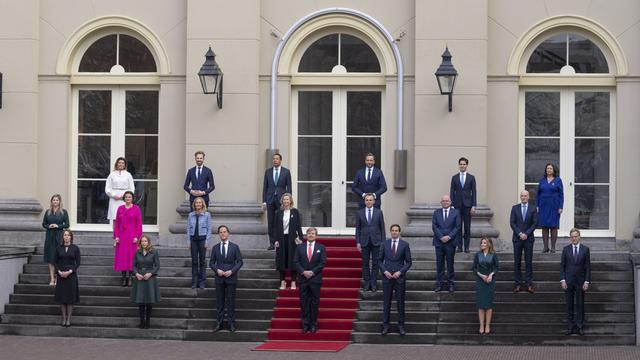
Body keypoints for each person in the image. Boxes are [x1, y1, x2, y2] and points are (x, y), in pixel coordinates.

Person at [378, 224, 412, 336]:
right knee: (386, 303)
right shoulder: (384, 244)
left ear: (399, 232)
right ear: (390, 232)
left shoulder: (405, 245)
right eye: (392, 230)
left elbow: (409, 262)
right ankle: (385, 326)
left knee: (400, 303)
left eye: (396, 230)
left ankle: (401, 326)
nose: (394, 232)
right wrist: (385, 271)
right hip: (387, 277)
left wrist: (400, 272)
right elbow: (379, 260)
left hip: (399, 278)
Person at [209, 225, 243, 332]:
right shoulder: (215, 248)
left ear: (228, 233)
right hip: (219, 279)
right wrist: (217, 270)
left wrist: (232, 271)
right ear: (218, 234)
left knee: (231, 302)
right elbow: (211, 262)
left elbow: (240, 262)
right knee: (220, 303)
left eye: (224, 232)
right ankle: (219, 324)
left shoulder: (235, 247)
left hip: (231, 278)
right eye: (220, 232)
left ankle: (231, 324)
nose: (222, 234)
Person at [293, 227, 326, 334]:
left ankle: (313, 325)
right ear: (306, 235)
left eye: (313, 233)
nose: (311, 235)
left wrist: (312, 272)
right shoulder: (300, 247)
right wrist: (303, 272)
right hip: (303, 279)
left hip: (315, 279)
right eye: (309, 233)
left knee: (314, 303)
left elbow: (322, 262)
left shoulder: (321, 247)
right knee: (304, 302)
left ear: (316, 236)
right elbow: (296, 262)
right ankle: (305, 325)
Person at [560, 228, 591, 335]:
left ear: (579, 237)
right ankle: (570, 327)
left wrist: (587, 281)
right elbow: (562, 266)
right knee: (569, 305)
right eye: (572, 236)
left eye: (576, 236)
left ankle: (580, 326)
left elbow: (588, 267)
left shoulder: (585, 249)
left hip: (581, 282)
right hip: (568, 282)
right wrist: (563, 280)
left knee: (580, 305)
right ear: (570, 238)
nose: (574, 238)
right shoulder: (566, 249)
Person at [356, 193, 386, 292]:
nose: (368, 202)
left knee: (375, 263)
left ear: (374, 201)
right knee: (365, 263)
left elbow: (382, 228)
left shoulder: (379, 212)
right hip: (364, 241)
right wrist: (358, 242)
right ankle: (367, 283)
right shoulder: (360, 213)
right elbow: (358, 228)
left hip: (376, 241)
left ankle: (373, 283)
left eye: (370, 200)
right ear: (364, 201)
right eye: (367, 200)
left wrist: (383, 242)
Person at [274, 193, 304, 290]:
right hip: (281, 239)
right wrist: (275, 240)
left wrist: (301, 238)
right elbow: (275, 228)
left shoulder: (295, 212)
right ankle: (282, 282)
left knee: (292, 260)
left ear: (290, 201)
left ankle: (293, 282)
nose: (286, 201)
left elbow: (299, 226)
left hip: (292, 239)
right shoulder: (278, 212)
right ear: (282, 201)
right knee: (281, 260)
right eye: (284, 199)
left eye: (288, 199)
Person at [510, 190, 538, 293]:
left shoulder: (533, 208)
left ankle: (529, 284)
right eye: (522, 196)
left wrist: (526, 234)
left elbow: (535, 223)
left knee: (528, 262)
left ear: (528, 197)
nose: (523, 197)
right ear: (520, 197)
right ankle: (517, 284)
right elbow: (512, 223)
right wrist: (520, 233)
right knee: (517, 262)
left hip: (529, 239)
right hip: (517, 239)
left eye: (525, 196)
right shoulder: (515, 208)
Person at [131, 234, 161, 329]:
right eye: (142, 241)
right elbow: (133, 266)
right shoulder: (137, 252)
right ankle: (141, 322)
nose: (144, 243)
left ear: (148, 242)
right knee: (140, 302)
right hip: (139, 278)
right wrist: (136, 274)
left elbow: (157, 266)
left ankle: (148, 322)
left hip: (150, 279)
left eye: (145, 241)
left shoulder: (154, 252)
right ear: (140, 242)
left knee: (149, 301)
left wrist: (150, 273)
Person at [262, 153, 291, 250]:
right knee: (270, 221)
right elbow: (265, 187)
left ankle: (281, 242)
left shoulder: (286, 172)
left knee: (281, 221)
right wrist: (264, 201)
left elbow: (289, 187)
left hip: (281, 200)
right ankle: (272, 243)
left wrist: (288, 200)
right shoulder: (268, 172)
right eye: (274, 159)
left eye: (277, 159)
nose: (275, 160)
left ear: (280, 160)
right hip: (270, 200)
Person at [432, 195, 461, 293]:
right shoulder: (436, 212)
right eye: (443, 201)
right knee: (439, 264)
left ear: (450, 202)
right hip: (439, 242)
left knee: (450, 264)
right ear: (441, 202)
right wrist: (441, 237)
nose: (445, 202)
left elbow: (457, 227)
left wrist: (449, 237)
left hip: (450, 242)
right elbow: (434, 226)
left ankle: (450, 284)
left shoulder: (456, 212)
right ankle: (439, 284)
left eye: (447, 201)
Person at [113, 191, 142, 287]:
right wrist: (116, 236)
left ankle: (130, 277)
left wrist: (137, 237)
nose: (128, 198)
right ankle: (123, 277)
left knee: (131, 257)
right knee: (122, 257)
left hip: (132, 236)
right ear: (124, 198)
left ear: (132, 198)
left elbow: (139, 224)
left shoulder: (136, 209)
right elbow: (117, 223)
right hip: (122, 236)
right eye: (126, 197)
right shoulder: (120, 208)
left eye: (129, 197)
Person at [472, 237, 499, 335]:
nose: (482, 244)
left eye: (484, 243)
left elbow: (496, 267)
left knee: (488, 305)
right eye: (481, 243)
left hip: (490, 281)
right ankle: (481, 325)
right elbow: (474, 268)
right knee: (480, 304)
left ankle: (487, 325)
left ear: (488, 244)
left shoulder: (493, 255)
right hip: (480, 281)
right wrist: (481, 275)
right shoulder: (477, 255)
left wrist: (491, 275)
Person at [449, 157, 476, 253]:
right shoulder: (454, 177)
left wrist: (474, 206)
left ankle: (467, 247)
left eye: (464, 164)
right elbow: (452, 191)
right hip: (457, 205)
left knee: (467, 227)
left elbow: (474, 192)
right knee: (458, 227)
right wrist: (451, 205)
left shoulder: (471, 177)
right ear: (458, 165)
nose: (462, 166)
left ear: (467, 165)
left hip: (468, 206)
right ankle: (459, 247)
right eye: (461, 164)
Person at [54, 230, 80, 327]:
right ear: (63, 237)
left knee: (70, 298)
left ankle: (69, 319)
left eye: (68, 235)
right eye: (65, 235)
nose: (66, 237)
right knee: (62, 298)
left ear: (71, 237)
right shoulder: (58, 248)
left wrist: (70, 271)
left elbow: (78, 263)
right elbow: (55, 262)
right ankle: (63, 318)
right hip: (61, 275)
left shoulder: (75, 248)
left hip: (71, 275)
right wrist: (59, 272)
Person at [42, 194, 69, 286]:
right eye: (53, 200)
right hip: (50, 236)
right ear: (51, 201)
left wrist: (58, 226)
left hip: (59, 235)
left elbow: (67, 224)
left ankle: (58, 278)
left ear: (59, 202)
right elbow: (44, 224)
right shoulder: (48, 212)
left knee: (59, 257)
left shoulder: (63, 212)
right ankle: (52, 279)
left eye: (57, 200)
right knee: (50, 258)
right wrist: (48, 226)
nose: (55, 202)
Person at [537, 162, 564, 253]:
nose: (549, 170)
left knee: (553, 226)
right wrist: (537, 206)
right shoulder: (542, 180)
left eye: (550, 168)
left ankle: (553, 247)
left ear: (554, 170)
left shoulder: (558, 180)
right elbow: (538, 194)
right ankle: (545, 247)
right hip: (543, 206)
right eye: (547, 168)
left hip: (554, 206)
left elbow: (561, 195)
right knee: (544, 227)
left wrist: (560, 206)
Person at [187, 197, 212, 289]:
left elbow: (209, 229)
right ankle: (194, 282)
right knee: (194, 262)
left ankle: (202, 283)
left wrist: (207, 242)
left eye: (200, 203)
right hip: (193, 240)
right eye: (196, 203)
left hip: (202, 240)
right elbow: (188, 229)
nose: (198, 204)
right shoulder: (190, 215)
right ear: (194, 204)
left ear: (202, 204)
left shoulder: (207, 215)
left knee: (202, 262)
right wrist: (188, 242)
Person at [105, 157, 135, 224]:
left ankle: (125, 234)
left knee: (125, 218)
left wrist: (125, 196)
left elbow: (132, 188)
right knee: (115, 219)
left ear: (125, 165)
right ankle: (116, 234)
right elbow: (107, 188)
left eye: (122, 163)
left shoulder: (128, 175)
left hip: (125, 199)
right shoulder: (112, 174)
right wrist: (113, 195)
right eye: (119, 163)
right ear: (117, 164)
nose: (121, 164)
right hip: (114, 199)